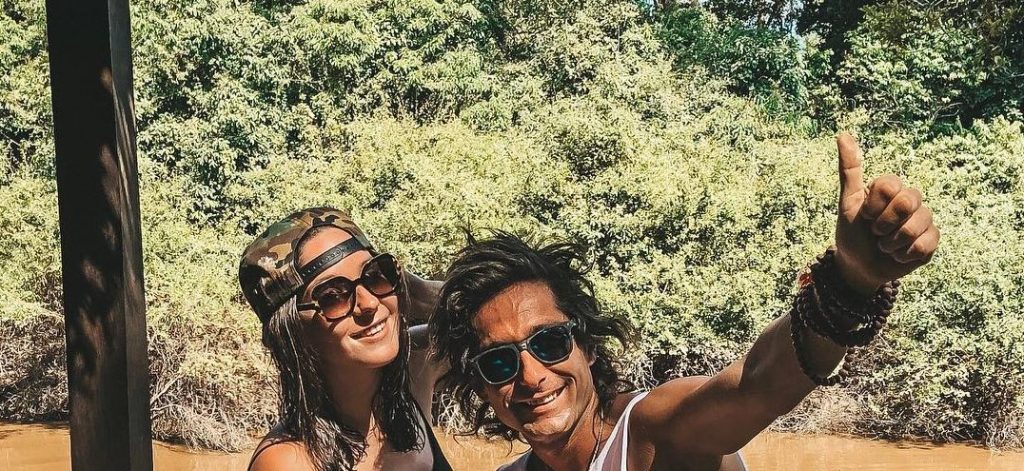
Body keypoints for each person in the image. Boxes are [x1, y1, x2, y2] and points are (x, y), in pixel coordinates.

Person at [429, 133, 939, 471]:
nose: (531, 375)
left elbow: (756, 386)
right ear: (483, 387)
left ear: (586, 345)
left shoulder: (655, 434)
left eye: (549, 342)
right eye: (500, 362)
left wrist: (849, 284)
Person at [238, 207, 452, 471]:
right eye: (332, 296)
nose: (369, 303)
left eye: (375, 275)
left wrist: (408, 290)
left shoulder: (412, 375)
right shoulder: (287, 462)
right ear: (292, 332)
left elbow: (482, 309)